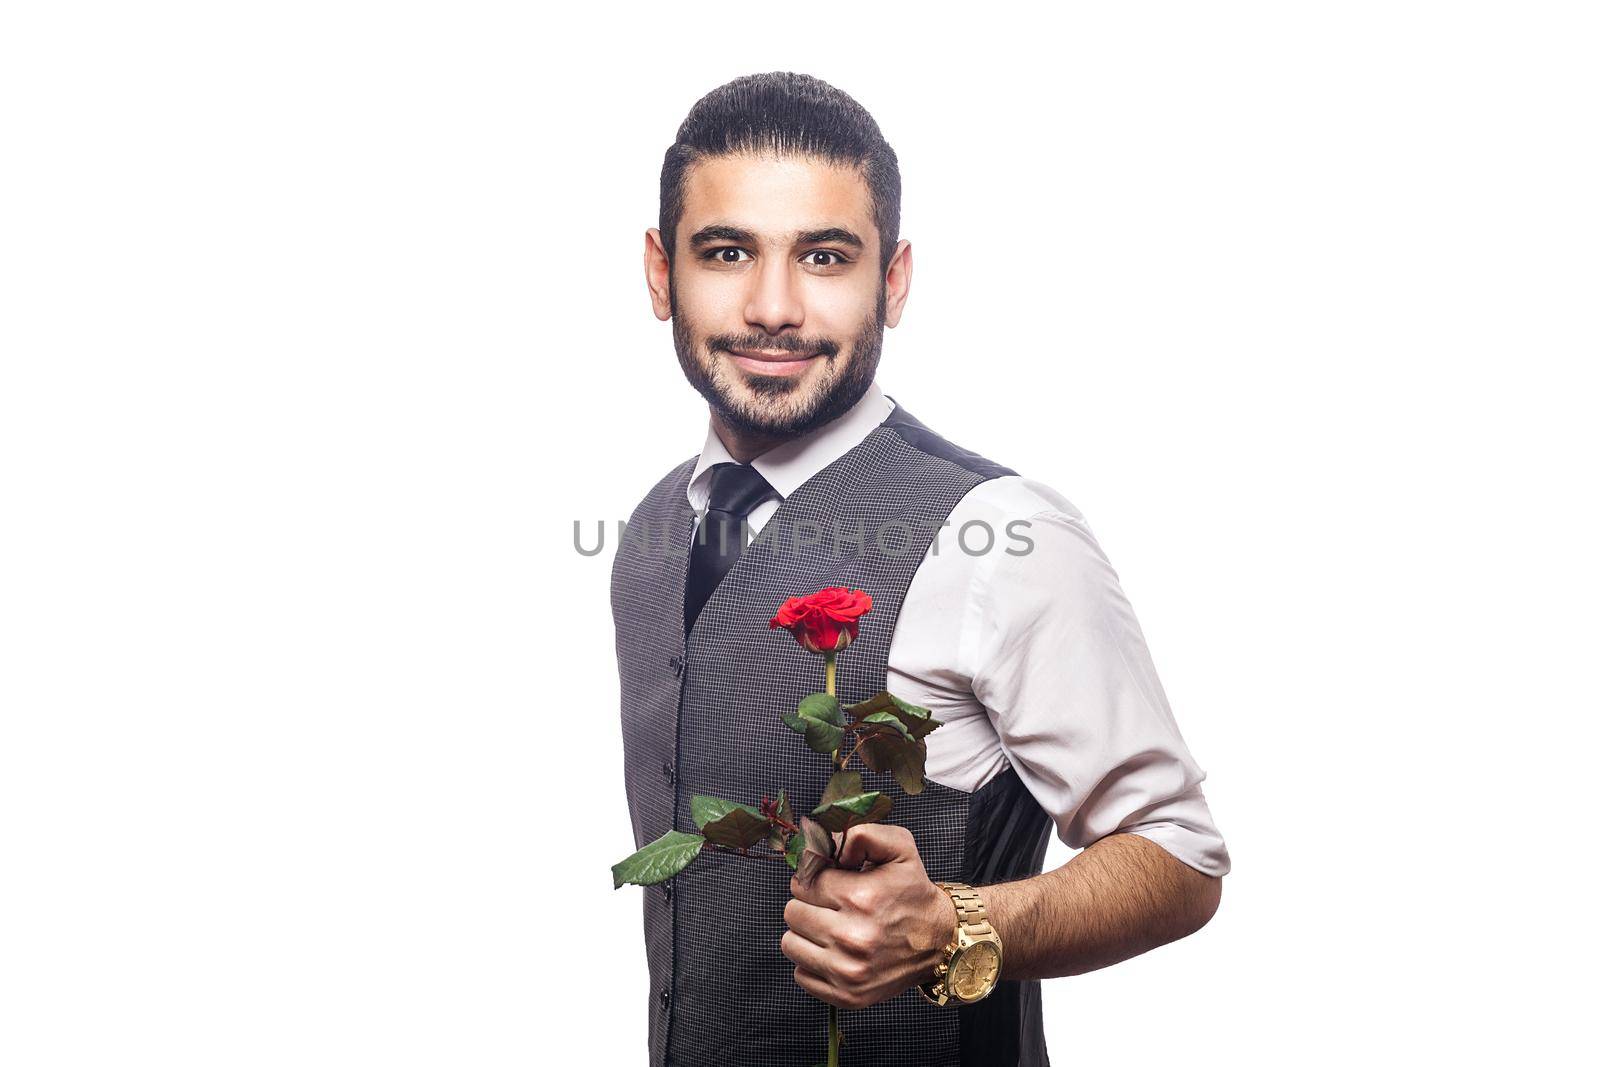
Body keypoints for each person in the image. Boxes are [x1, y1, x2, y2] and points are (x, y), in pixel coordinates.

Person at [612, 71, 1230, 1067]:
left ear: (891, 280)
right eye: (727, 252)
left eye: (824, 256)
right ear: (659, 271)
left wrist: (953, 923)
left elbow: (1180, 855)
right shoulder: (650, 531)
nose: (773, 308)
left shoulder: (1001, 533)